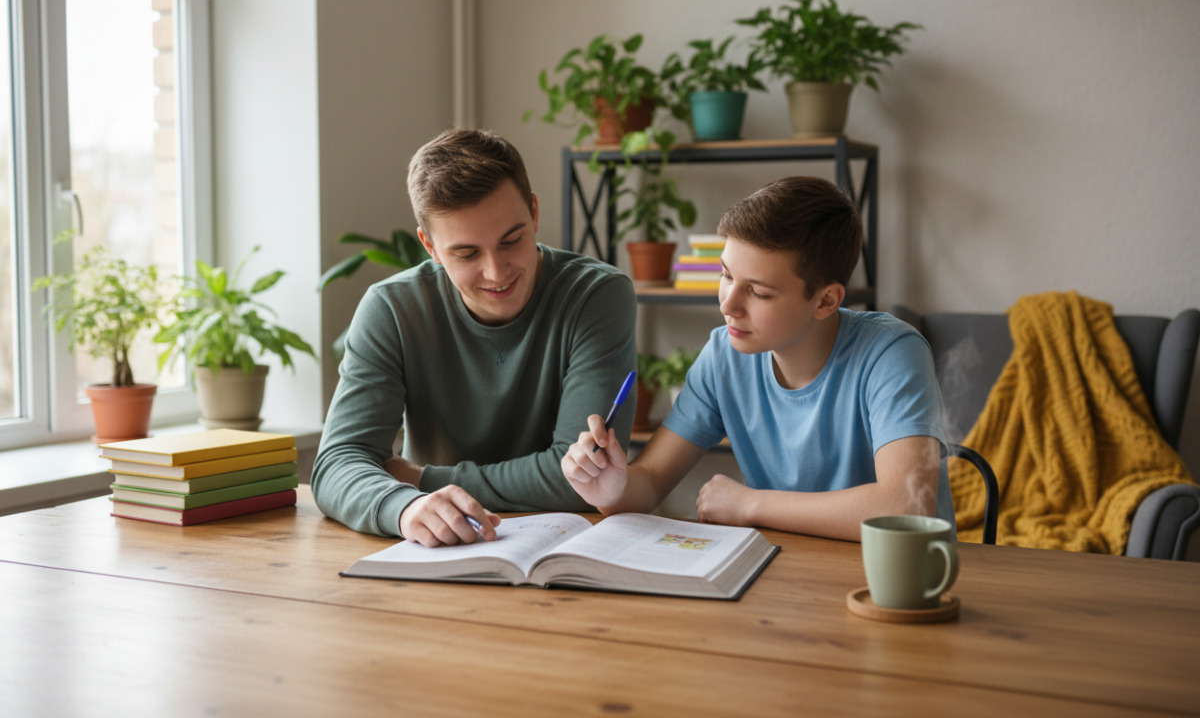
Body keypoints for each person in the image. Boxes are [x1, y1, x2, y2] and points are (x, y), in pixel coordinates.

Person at [561, 176, 953, 542]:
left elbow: (906, 507)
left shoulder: (892, 352)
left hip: (896, 585)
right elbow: (648, 482)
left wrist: (751, 503)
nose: (729, 305)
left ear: (826, 300)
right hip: (782, 578)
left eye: (759, 293)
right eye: (726, 275)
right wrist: (613, 488)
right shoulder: (723, 356)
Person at [313, 128, 637, 545]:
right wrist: (406, 506)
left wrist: (423, 479)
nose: (496, 272)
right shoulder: (392, 309)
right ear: (429, 245)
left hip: (564, 545)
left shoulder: (597, 296)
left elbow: (580, 475)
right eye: (466, 254)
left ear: (534, 213)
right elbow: (337, 461)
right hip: (436, 548)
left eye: (512, 240)